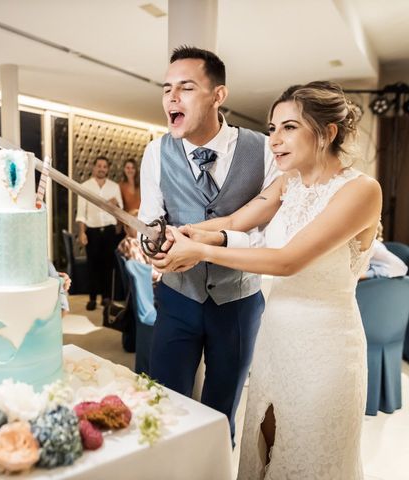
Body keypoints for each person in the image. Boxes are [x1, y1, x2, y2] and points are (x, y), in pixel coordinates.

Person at [153, 81, 380, 479]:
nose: (274, 140)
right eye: (272, 128)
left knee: (309, 455)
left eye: (289, 127)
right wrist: (184, 233)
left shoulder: (361, 190)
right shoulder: (287, 183)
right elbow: (234, 222)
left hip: (326, 348)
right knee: (267, 448)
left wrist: (202, 252)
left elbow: (288, 260)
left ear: (327, 133)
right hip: (276, 341)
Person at [138, 45, 278, 440]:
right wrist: (155, 247)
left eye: (185, 88)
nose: (172, 98)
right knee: (165, 403)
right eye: (167, 89)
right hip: (178, 298)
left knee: (222, 411)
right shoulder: (155, 152)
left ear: (218, 95)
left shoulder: (263, 150)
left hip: (238, 301)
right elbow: (150, 221)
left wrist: (211, 242)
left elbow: (267, 234)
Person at [76, 156, 123, 311]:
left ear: (107, 169)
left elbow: (120, 211)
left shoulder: (114, 187)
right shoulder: (85, 186)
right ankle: (92, 299)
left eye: (104, 166)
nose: (102, 168)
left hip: (109, 231)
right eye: (99, 166)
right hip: (92, 231)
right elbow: (81, 213)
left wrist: (115, 205)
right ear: (94, 168)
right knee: (92, 266)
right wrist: (82, 233)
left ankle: (106, 298)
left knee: (108, 267)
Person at [117, 209, 162, 283]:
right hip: (150, 284)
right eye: (135, 225)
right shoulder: (130, 243)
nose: (141, 228)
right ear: (127, 228)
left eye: (143, 224)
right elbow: (145, 273)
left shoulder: (141, 242)